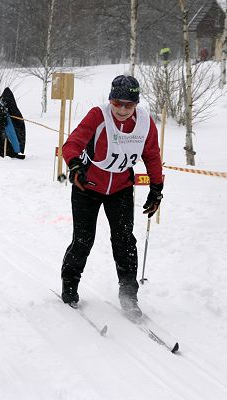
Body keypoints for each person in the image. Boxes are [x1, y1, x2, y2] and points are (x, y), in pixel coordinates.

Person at [60, 75, 163, 319]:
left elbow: (152, 155)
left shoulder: (145, 123)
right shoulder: (98, 116)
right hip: (87, 186)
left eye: (129, 105)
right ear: (110, 100)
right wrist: (74, 165)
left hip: (121, 189)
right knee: (84, 239)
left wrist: (156, 188)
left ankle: (129, 296)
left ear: (136, 104)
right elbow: (72, 143)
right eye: (118, 103)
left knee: (125, 241)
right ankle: (70, 284)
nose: (123, 109)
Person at [0, 87, 26, 159]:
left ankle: (12, 152)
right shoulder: (3, 109)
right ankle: (6, 152)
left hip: (11, 129)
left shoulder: (13, 110)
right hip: (4, 131)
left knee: (11, 138)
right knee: (3, 138)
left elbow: (18, 122)